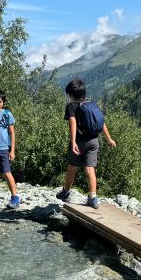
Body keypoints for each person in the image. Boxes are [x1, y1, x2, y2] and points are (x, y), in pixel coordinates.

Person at [55, 79, 116, 209]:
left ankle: (66, 191)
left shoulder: (71, 106)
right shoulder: (92, 104)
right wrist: (109, 139)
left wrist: (72, 142)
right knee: (90, 168)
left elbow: (73, 123)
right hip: (94, 141)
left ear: (71, 94)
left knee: (72, 166)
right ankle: (93, 198)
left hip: (79, 141)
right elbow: (101, 122)